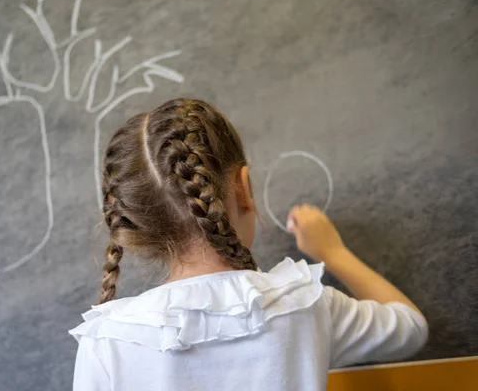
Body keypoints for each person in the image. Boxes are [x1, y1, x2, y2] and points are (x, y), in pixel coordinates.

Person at [70, 98, 428, 391]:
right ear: (243, 186)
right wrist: (333, 253)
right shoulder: (304, 304)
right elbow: (410, 328)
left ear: (131, 223)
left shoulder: (106, 341)